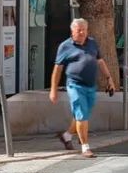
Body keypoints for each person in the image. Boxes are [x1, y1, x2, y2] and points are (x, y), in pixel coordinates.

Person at [49, 18, 117, 157]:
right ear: (72, 31)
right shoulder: (65, 46)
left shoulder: (92, 43)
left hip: (91, 86)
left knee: (82, 114)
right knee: (81, 114)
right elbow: (57, 69)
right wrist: (53, 89)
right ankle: (85, 147)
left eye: (84, 30)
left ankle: (67, 136)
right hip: (75, 85)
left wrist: (109, 79)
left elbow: (100, 61)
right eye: (78, 30)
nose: (81, 33)